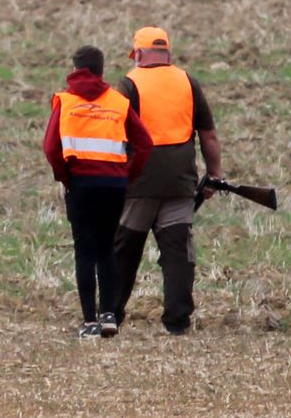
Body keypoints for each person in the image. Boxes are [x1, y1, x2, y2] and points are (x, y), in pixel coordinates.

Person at [112, 26, 222, 335]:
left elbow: (115, 133)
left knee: (125, 251)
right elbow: (209, 135)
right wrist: (214, 175)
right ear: (169, 54)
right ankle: (177, 321)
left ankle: (111, 314)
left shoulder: (128, 84)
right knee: (177, 254)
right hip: (180, 183)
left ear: (141, 54)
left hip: (138, 186)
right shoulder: (188, 81)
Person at [43, 45, 151, 338]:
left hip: (80, 184)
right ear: (102, 70)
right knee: (107, 250)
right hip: (114, 185)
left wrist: (65, 177)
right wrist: (127, 174)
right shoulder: (118, 101)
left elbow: (51, 148)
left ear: (75, 68)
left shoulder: (64, 101)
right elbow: (145, 143)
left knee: (84, 251)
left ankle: (89, 320)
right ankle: (108, 316)